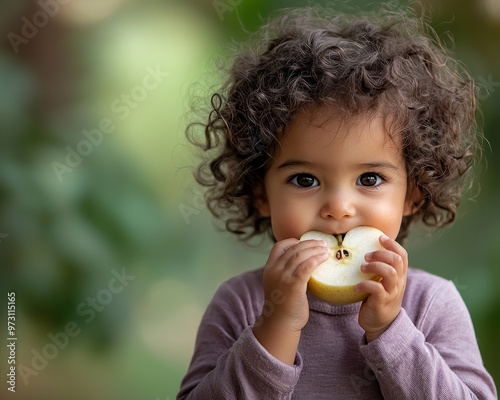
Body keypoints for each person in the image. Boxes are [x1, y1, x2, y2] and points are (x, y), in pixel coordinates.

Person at [177, 5, 497, 399]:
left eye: (369, 179)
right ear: (261, 194)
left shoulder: (431, 303)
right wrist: (274, 327)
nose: (338, 207)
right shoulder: (240, 304)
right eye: (305, 179)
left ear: (413, 193)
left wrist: (391, 331)